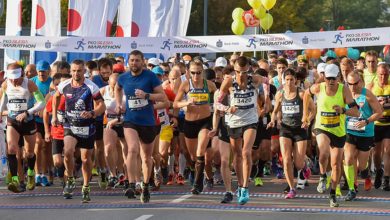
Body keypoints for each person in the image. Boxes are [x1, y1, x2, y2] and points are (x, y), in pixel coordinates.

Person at [303, 64, 359, 207]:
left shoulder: (343, 90)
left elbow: (356, 111)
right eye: (328, 78)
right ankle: (322, 176)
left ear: (339, 78)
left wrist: (342, 110)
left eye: (334, 78)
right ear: (324, 78)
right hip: (322, 127)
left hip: (338, 131)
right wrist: (305, 115)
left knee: (335, 164)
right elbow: (305, 94)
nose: (331, 81)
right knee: (323, 151)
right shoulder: (318, 87)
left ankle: (333, 194)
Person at [115, 50, 167, 203]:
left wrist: (146, 95)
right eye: (131, 60)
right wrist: (119, 104)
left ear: (142, 62)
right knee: (132, 149)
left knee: (146, 157)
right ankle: (132, 184)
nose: (134, 63)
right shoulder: (123, 77)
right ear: (128, 62)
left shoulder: (150, 76)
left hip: (148, 122)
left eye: (137, 60)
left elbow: (162, 96)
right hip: (131, 120)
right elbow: (118, 88)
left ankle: (145, 185)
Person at [216, 56, 269, 205]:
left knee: (246, 152)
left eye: (245, 72)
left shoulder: (256, 79)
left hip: (251, 120)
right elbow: (217, 103)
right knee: (237, 155)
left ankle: (245, 187)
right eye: (239, 72)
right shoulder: (228, 81)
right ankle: (239, 185)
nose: (241, 75)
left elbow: (267, 82)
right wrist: (227, 108)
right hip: (234, 122)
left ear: (249, 70)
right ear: (235, 70)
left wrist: (266, 100)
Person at [52, 59, 106, 203]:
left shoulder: (91, 86)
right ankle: (70, 178)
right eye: (74, 70)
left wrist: (93, 113)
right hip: (70, 124)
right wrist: (54, 116)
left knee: (85, 159)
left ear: (84, 71)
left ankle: (86, 186)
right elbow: (55, 97)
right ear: (71, 71)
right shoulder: (64, 85)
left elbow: (102, 105)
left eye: (79, 71)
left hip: (87, 127)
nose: (76, 73)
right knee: (68, 151)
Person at [267, 69, 315, 199]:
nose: (288, 82)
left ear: (296, 80)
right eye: (286, 80)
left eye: (291, 80)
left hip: (300, 129)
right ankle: (292, 188)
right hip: (285, 129)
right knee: (287, 160)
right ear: (283, 80)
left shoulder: (302, 94)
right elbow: (275, 110)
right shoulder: (280, 94)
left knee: (298, 163)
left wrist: (308, 121)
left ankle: (305, 166)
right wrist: (272, 120)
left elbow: (313, 110)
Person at [0, 63, 46, 193]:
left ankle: (31, 173)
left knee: (29, 153)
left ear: (22, 74)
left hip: (28, 121)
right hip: (12, 120)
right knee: (12, 148)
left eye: (17, 77)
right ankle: (15, 179)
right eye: (11, 77)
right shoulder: (5, 84)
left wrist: (27, 113)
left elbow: (42, 102)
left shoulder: (29, 84)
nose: (14, 80)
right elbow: (3, 102)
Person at [173, 60, 217, 195]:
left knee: (200, 151)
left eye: (198, 73)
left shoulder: (209, 85)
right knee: (192, 156)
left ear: (202, 72)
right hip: (190, 123)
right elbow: (175, 104)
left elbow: (219, 100)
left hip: (205, 122)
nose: (196, 76)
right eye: (193, 73)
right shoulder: (186, 84)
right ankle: (196, 171)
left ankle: (198, 184)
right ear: (188, 73)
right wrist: (186, 102)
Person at [343, 70, 382, 200]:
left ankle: (366, 173)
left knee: (361, 166)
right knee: (348, 158)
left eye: (355, 83)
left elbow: (379, 112)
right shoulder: (345, 93)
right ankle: (352, 188)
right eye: (350, 84)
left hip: (365, 134)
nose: (353, 87)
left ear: (360, 81)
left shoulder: (367, 94)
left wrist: (366, 121)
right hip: (349, 132)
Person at [366, 63, 390, 190]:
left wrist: (383, 104)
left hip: (388, 123)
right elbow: (364, 105)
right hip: (376, 124)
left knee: (388, 150)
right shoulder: (371, 86)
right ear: (377, 74)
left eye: (386, 75)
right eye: (381, 74)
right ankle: (379, 171)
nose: (383, 77)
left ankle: (387, 179)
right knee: (376, 153)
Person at [101, 73, 127, 188]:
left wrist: (117, 119)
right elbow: (95, 104)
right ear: (108, 83)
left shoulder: (126, 91)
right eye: (112, 85)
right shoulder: (103, 91)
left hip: (125, 122)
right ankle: (112, 175)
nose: (115, 87)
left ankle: (124, 174)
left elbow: (130, 111)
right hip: (109, 122)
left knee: (126, 150)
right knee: (108, 148)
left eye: (117, 84)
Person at [91, 58, 113, 188]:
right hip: (98, 118)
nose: (106, 76)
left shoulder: (117, 79)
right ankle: (102, 170)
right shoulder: (95, 81)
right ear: (99, 72)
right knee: (98, 148)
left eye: (108, 73)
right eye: (103, 73)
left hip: (111, 118)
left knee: (108, 147)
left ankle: (110, 171)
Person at [31, 60, 53, 187]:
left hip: (49, 120)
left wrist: (46, 109)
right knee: (38, 144)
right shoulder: (32, 81)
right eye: (39, 71)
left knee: (46, 148)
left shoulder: (52, 82)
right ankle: (37, 174)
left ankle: (45, 174)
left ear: (48, 71)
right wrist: (33, 108)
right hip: (35, 119)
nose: (41, 74)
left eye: (43, 72)